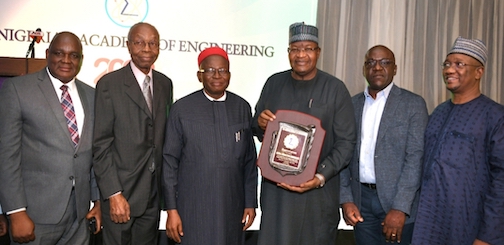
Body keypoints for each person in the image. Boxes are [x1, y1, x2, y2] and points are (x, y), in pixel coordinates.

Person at [252, 22, 356, 245]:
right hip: (277, 195)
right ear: (288, 52)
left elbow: (346, 143)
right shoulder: (273, 83)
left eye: (308, 48)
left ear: (318, 52)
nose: (301, 55)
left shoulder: (335, 89)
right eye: (295, 49)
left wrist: (319, 177)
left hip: (317, 196)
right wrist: (259, 123)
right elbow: (257, 126)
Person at [0, 31, 101, 244]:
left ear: (81, 60)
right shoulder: (17, 90)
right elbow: (6, 156)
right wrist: (15, 211)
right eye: (59, 53)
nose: (66, 60)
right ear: (47, 54)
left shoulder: (92, 96)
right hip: (34, 216)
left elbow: (92, 154)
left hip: (79, 216)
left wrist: (97, 201)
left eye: (74, 55)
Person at [412, 37, 504, 245]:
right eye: (447, 64)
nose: (450, 70)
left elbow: (501, 183)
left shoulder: (495, 116)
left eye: (459, 64)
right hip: (429, 221)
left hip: (468, 225)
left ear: (479, 72)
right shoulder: (439, 112)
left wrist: (487, 236)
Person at [162, 47, 258, 244]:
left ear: (229, 74)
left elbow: (249, 161)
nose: (217, 76)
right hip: (193, 208)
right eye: (210, 71)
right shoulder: (182, 109)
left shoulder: (242, 107)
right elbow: (170, 162)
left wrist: (250, 202)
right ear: (200, 75)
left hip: (232, 206)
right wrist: (171, 209)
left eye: (222, 71)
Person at [92, 22, 173, 244]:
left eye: (152, 43)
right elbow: (100, 146)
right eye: (139, 42)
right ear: (128, 46)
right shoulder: (109, 84)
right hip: (121, 196)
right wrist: (113, 194)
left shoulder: (165, 84)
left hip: (153, 196)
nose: (147, 48)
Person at [339, 45, 428, 245]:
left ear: (395, 68)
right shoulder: (351, 105)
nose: (377, 68)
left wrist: (400, 208)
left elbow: (416, 158)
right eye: (371, 62)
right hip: (361, 203)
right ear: (364, 69)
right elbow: (343, 153)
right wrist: (346, 198)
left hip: (396, 203)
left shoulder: (413, 104)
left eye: (384, 62)